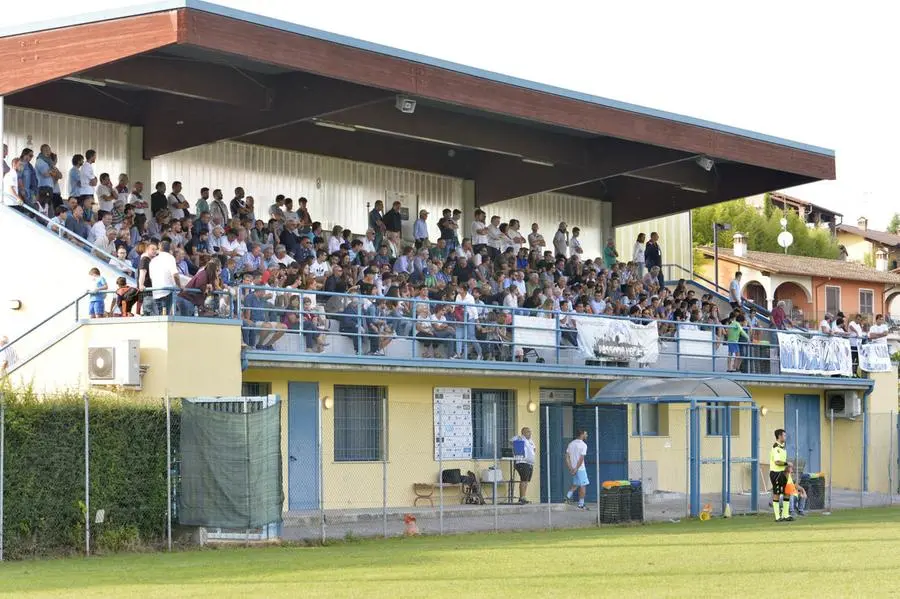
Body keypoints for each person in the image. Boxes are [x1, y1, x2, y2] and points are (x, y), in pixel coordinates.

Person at [769, 428, 791, 522]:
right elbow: (777, 462)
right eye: (784, 435)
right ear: (779, 436)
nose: (785, 437)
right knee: (777, 493)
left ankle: (785, 515)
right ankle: (778, 517)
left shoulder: (782, 448)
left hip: (783, 473)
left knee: (787, 492)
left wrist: (787, 469)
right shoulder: (776, 448)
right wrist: (787, 464)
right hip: (776, 473)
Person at [565, 429, 589, 510]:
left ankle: (567, 497)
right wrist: (576, 468)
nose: (587, 435)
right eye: (586, 434)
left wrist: (571, 468)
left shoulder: (571, 444)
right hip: (580, 468)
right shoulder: (583, 445)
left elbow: (567, 457)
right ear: (582, 434)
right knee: (583, 485)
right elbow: (581, 458)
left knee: (576, 484)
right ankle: (581, 504)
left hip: (573, 468)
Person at [512, 427, 536, 504]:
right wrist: (518, 438)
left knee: (526, 481)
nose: (529, 433)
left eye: (530, 431)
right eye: (527, 432)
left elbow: (534, 450)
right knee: (523, 480)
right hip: (522, 462)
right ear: (523, 433)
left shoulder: (531, 441)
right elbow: (512, 441)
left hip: (529, 463)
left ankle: (524, 497)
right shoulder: (520, 439)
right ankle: (521, 498)